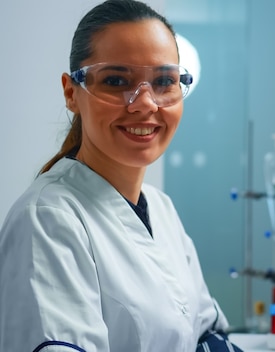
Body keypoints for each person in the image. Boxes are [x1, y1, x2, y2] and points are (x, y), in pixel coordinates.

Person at [0, 1, 243, 351]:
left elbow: (205, 332)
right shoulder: (48, 220)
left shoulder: (160, 208)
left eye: (163, 81)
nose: (145, 103)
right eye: (116, 80)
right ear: (71, 92)